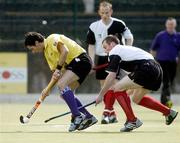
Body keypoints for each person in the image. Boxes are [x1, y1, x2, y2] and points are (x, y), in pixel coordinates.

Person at [96, 35, 178, 132]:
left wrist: (101, 95)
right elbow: (127, 78)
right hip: (157, 70)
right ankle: (168, 112)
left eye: (106, 47)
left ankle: (132, 120)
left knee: (117, 88)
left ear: (113, 44)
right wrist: (126, 89)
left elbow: (111, 76)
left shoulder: (115, 51)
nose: (105, 51)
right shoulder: (126, 51)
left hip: (145, 68)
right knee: (136, 99)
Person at [24, 32, 98, 132]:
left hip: (81, 59)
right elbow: (56, 75)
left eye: (32, 48)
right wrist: (48, 89)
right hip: (76, 65)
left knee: (62, 84)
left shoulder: (51, 38)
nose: (33, 52)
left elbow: (65, 51)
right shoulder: (47, 54)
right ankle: (88, 117)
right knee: (64, 94)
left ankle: (77, 116)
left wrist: (58, 69)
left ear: (37, 42)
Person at [87, 1, 133, 124]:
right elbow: (91, 45)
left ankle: (107, 112)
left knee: (113, 85)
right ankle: (111, 113)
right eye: (102, 13)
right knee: (104, 86)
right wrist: (91, 61)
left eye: (107, 12)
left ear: (111, 12)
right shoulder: (93, 26)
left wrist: (127, 50)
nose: (105, 15)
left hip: (116, 58)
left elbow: (129, 37)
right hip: (101, 58)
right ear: (99, 12)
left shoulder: (119, 24)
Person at [150, 17, 180, 108]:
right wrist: (152, 60)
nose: (170, 26)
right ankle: (165, 101)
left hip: (172, 62)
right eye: (169, 24)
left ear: (175, 25)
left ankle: (165, 100)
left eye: (172, 24)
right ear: (166, 25)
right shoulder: (160, 35)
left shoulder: (178, 36)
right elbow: (153, 49)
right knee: (166, 82)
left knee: (170, 81)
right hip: (161, 62)